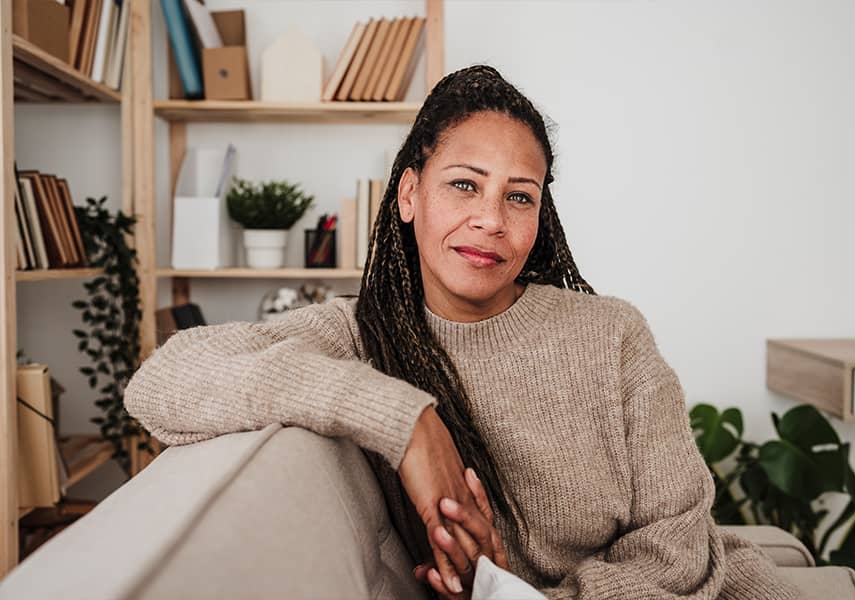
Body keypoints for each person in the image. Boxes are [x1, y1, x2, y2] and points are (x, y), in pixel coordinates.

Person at [124, 65, 800, 600]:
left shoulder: (612, 333)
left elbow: (678, 545)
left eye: (519, 196)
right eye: (465, 186)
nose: (491, 220)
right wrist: (407, 421)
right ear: (409, 195)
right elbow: (162, 381)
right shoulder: (363, 336)